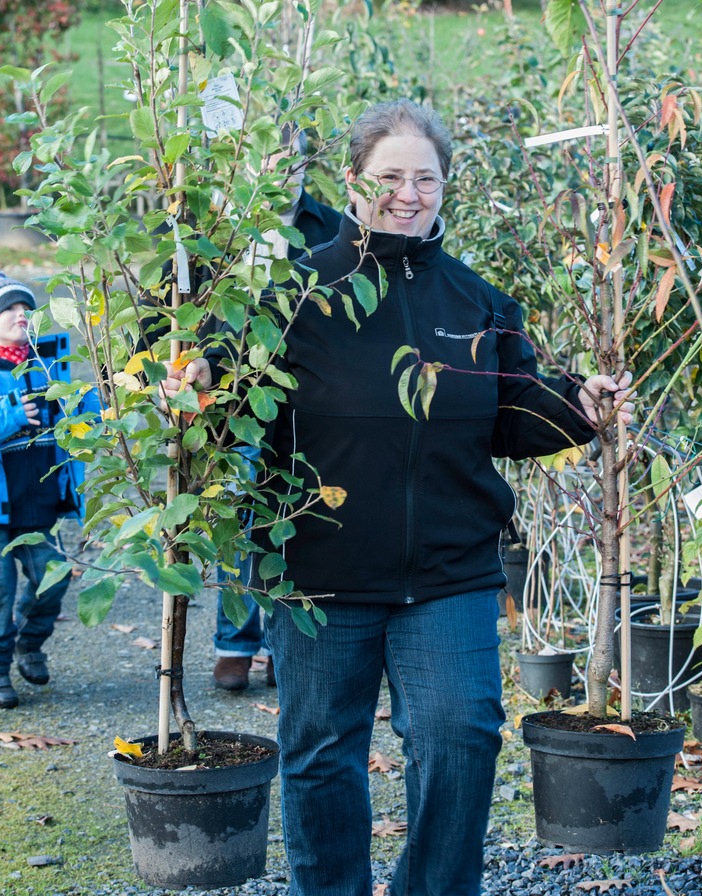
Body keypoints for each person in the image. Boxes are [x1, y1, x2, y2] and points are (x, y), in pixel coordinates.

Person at [166, 100, 634, 896]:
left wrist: (580, 405)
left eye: (426, 178)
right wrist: (196, 382)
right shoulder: (295, 295)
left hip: (447, 573)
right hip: (316, 571)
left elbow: (513, 412)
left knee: (462, 739)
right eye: (391, 177)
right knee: (320, 753)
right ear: (353, 182)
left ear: (446, 185)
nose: (409, 194)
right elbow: (223, 402)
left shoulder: (477, 303)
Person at [213, 128, 341, 692]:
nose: (280, 167)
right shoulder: (222, 226)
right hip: (235, 399)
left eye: (292, 158)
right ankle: (234, 641)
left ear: (306, 164)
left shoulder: (332, 228)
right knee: (237, 525)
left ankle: (278, 644)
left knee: (294, 520)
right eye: (269, 153)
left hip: (305, 400)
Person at [0, 270, 93, 709]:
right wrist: (8, 412)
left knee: (54, 575)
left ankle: (28, 642)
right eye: (8, 308)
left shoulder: (48, 363)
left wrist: (110, 402)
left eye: (26, 307)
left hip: (37, 499)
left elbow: (83, 407)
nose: (21, 314)